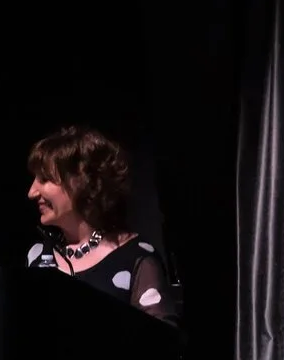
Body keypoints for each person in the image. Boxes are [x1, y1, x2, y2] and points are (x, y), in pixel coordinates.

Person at [24, 125, 178, 320]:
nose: (31, 192)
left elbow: (161, 336)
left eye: (45, 179)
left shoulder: (135, 257)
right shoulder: (37, 256)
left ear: (81, 181)